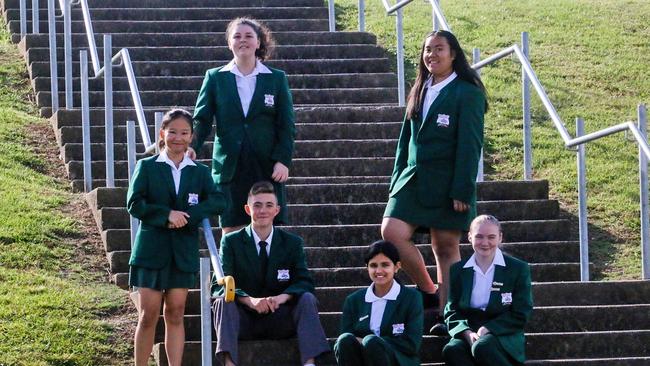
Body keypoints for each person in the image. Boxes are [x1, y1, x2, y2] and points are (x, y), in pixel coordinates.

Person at [381, 29, 488, 335]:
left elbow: (471, 145)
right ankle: (429, 290)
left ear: (453, 54)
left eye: (439, 49)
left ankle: (449, 316)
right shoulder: (420, 87)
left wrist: (462, 189)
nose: (432, 55)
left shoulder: (468, 93)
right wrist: (396, 179)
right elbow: (405, 140)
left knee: (445, 246)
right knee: (392, 232)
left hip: (448, 180)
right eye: (427, 50)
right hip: (412, 179)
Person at [126, 108, 226, 366]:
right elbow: (134, 203)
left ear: (192, 137)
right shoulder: (146, 166)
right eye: (172, 132)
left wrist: (190, 216)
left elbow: (218, 200)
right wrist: (166, 214)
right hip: (151, 250)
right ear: (162, 133)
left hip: (182, 251)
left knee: (176, 312)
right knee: (148, 315)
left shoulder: (200, 172)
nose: (178, 138)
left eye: (184, 133)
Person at [189, 17, 295, 235]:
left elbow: (286, 124)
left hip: (266, 166)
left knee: (266, 230)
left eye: (249, 36)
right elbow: (202, 119)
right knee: (232, 229)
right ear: (229, 43)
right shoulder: (215, 78)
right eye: (237, 36)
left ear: (258, 42)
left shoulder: (276, 78)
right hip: (230, 165)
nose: (243, 40)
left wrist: (283, 160)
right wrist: (192, 146)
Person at [211, 181, 330, 366]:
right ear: (247, 209)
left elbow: (305, 281)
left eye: (269, 205)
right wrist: (250, 300)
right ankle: (228, 363)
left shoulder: (292, 243)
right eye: (257, 205)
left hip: (280, 317)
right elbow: (219, 285)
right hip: (244, 319)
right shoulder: (231, 242)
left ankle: (310, 362)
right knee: (222, 301)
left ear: (277, 210)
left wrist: (282, 298)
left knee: (306, 298)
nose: (263, 211)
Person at [443, 215, 533, 365]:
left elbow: (521, 312)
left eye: (491, 237)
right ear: (470, 237)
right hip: (470, 328)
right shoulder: (457, 270)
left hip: (503, 331)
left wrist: (487, 328)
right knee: (452, 350)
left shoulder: (517, 269)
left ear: (500, 238)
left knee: (483, 347)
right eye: (479, 236)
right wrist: (466, 333)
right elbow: (451, 310)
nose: (485, 243)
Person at [334, 240, 423, 366]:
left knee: (372, 342)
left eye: (385, 265)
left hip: (397, 360)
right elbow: (347, 339)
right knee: (344, 340)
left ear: (397, 267)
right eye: (373, 265)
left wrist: (373, 342)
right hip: (361, 360)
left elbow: (411, 343)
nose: (379, 271)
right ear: (367, 268)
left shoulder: (412, 297)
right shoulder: (353, 300)